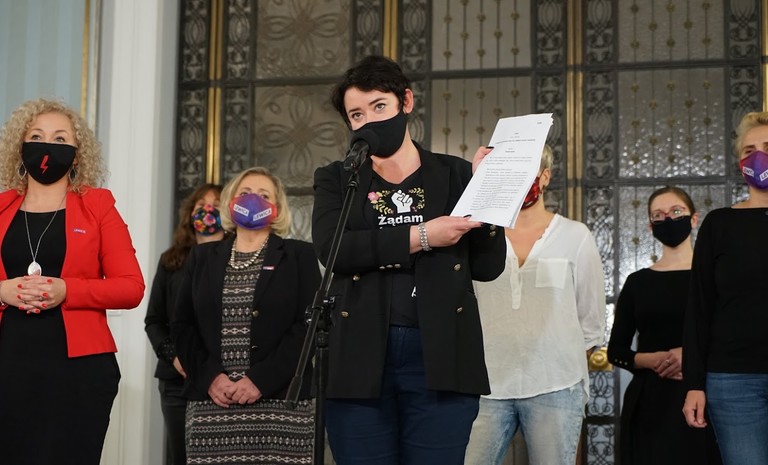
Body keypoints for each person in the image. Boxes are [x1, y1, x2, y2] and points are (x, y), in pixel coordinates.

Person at [312, 55, 506, 465]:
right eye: (357, 115)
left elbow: (488, 268)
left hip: (441, 355)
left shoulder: (456, 175)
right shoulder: (337, 179)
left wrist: (488, 194)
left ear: (406, 102)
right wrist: (422, 236)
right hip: (359, 355)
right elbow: (334, 251)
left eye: (379, 106)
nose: (369, 120)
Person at [0, 98, 145, 464]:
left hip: (78, 372)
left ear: (77, 155)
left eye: (60, 138)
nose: (47, 146)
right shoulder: (1, 207)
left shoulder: (98, 206)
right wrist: (2, 291)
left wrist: (68, 290)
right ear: (20, 146)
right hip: (8, 364)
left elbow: (131, 286)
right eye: (36, 136)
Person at [464, 144, 606, 465]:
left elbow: (591, 321)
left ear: (545, 177)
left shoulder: (576, 236)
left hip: (556, 385)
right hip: (485, 386)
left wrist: (553, 356)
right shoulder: (478, 238)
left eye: (526, 170)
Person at [171, 166, 321, 465]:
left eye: (264, 195)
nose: (254, 200)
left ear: (277, 208)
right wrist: (211, 379)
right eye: (246, 193)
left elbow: (310, 325)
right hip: (213, 405)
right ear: (230, 201)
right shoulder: (202, 257)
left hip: (281, 406)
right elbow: (182, 325)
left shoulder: (299, 255)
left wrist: (260, 380)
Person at [608, 186, 720, 464]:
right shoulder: (637, 282)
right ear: (650, 226)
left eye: (676, 211)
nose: (668, 219)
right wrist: (652, 360)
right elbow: (616, 351)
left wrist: (690, 355)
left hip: (708, 397)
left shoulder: (714, 276)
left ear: (694, 218)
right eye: (658, 215)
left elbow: (732, 336)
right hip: (651, 404)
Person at [683, 111, 768, 465]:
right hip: (734, 382)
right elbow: (699, 308)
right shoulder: (719, 224)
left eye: (767, 147)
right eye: (750, 150)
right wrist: (694, 383)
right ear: (740, 162)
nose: (759, 156)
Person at [144, 183, 225, 465]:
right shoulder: (171, 261)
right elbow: (154, 320)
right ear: (190, 213)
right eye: (201, 204)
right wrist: (176, 357)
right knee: (182, 456)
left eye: (216, 204)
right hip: (177, 381)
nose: (208, 209)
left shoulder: (237, 259)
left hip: (224, 379)